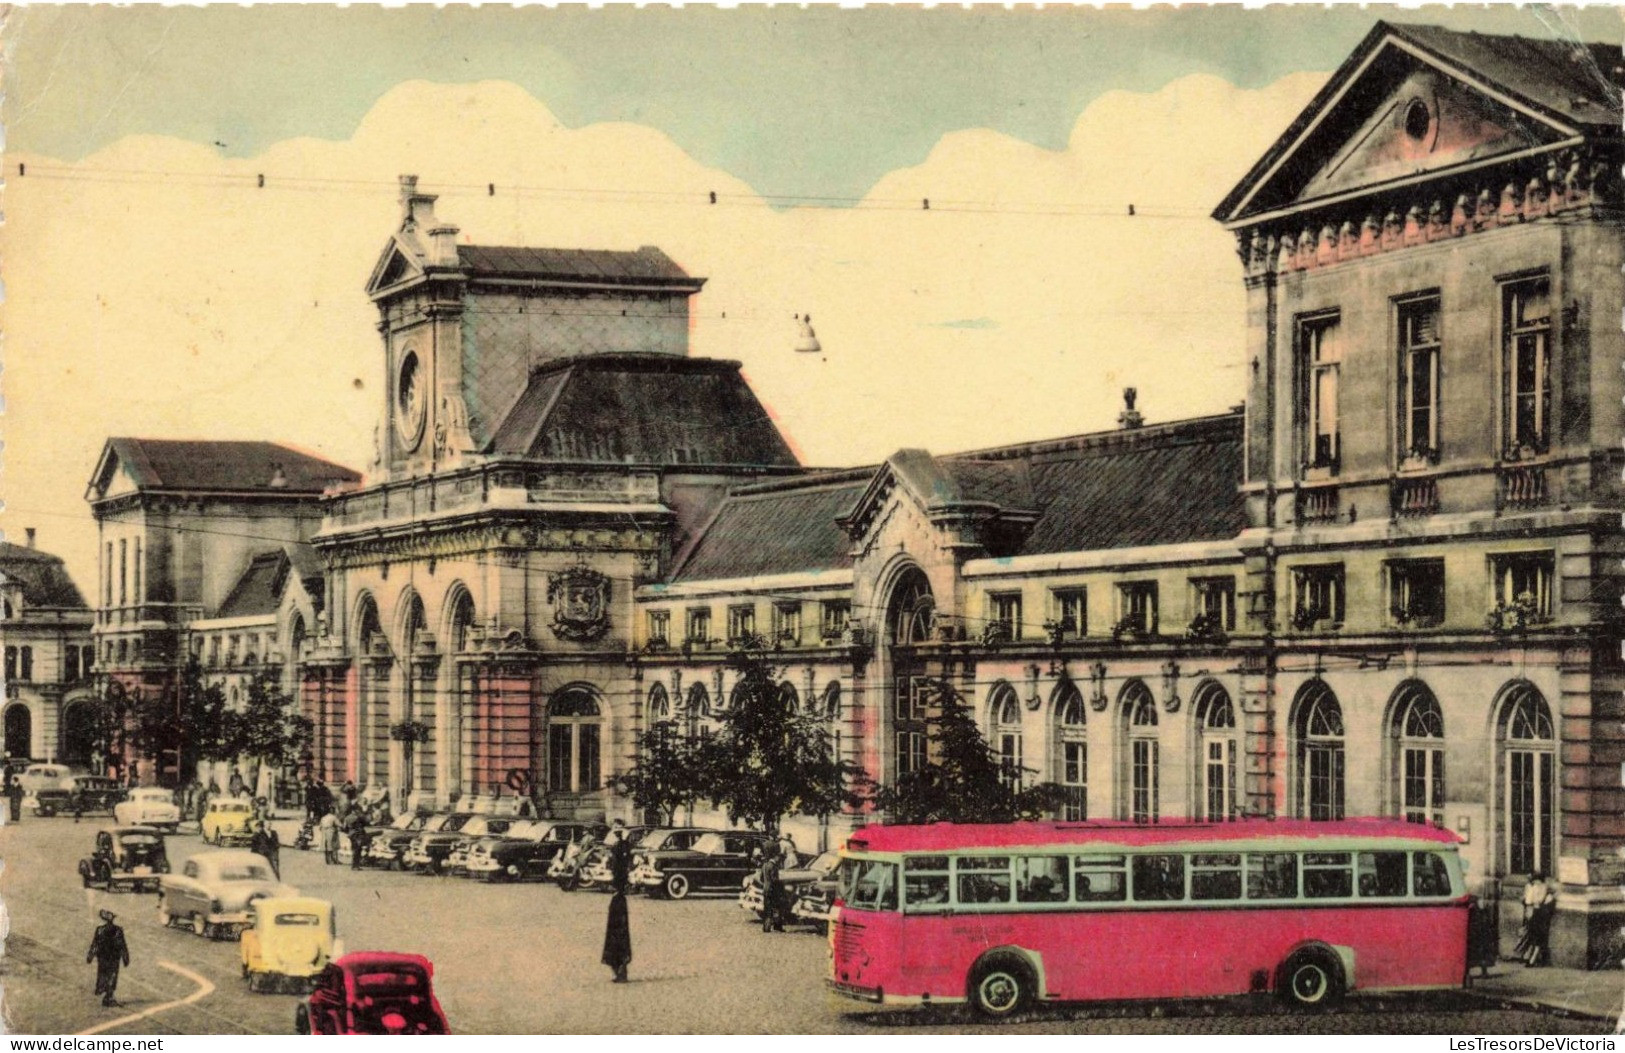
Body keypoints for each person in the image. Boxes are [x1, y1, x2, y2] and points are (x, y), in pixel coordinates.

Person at [601, 820, 633, 982]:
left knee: (617, 932)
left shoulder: (619, 849)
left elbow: (619, 870)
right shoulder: (620, 848)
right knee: (619, 932)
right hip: (618, 894)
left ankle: (619, 969)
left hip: (618, 895)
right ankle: (621, 969)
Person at [86, 909, 130, 1008]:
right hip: (113, 957)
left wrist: (90, 955)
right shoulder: (118, 930)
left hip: (103, 957)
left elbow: (95, 944)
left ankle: (107, 995)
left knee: (104, 974)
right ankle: (108, 997)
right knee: (112, 975)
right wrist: (125, 957)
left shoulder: (100, 930)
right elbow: (122, 945)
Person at [1519, 872, 1557, 966]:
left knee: (1535, 937)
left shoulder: (1536, 887)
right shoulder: (1542, 887)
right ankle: (1531, 959)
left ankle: (1530, 959)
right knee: (1537, 938)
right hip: (1539, 913)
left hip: (1536, 913)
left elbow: (1530, 900)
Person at [760, 841, 786, 933]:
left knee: (767, 909)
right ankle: (777, 926)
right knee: (776, 908)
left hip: (765, 889)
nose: (779, 860)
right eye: (778, 857)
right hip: (773, 890)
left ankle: (766, 927)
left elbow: (761, 878)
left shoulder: (765, 865)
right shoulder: (773, 866)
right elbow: (774, 880)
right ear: (776, 857)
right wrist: (781, 884)